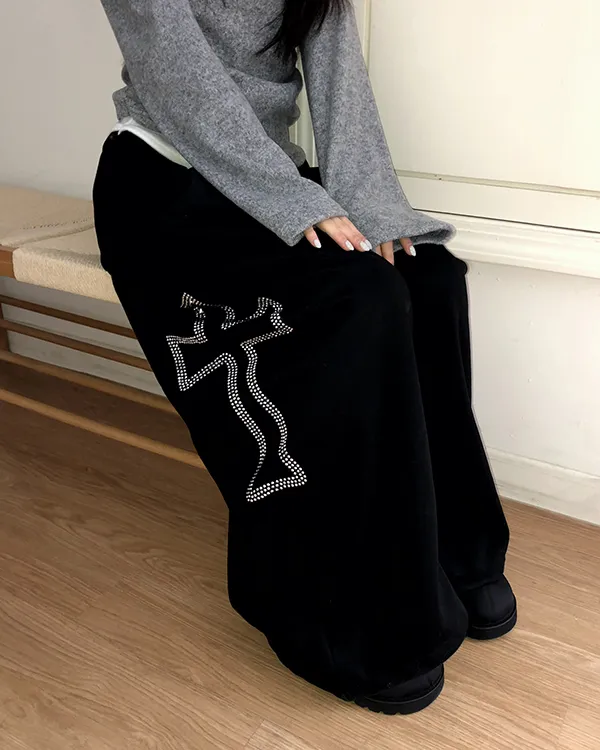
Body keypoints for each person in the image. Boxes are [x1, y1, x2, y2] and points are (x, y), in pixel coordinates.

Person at [93, 0, 516, 715]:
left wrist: (373, 208)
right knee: (357, 303)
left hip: (271, 179)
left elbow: (340, 81)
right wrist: (293, 203)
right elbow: (178, 80)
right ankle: (348, 615)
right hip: (166, 183)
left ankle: (451, 549)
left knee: (429, 278)